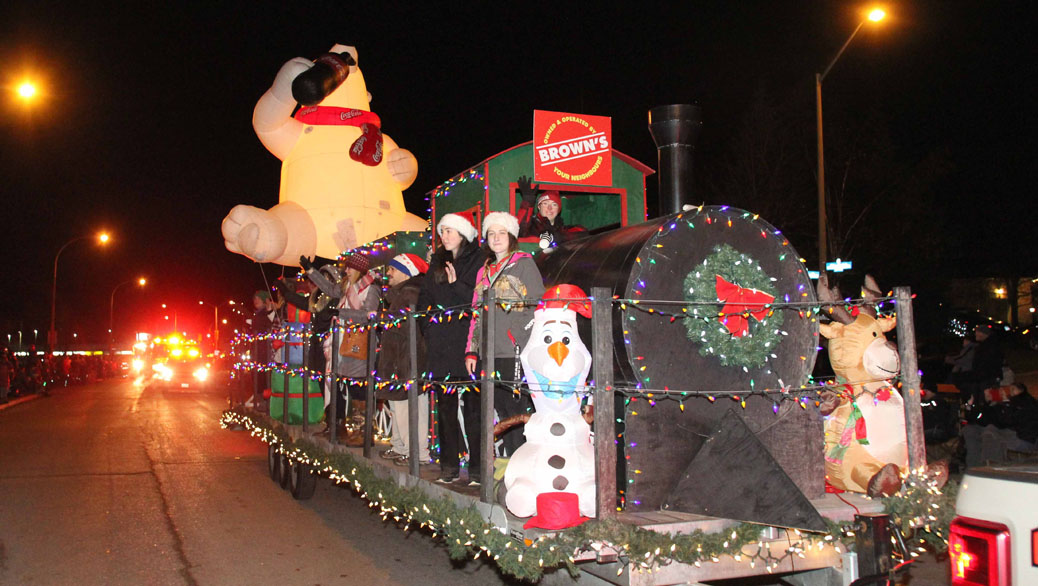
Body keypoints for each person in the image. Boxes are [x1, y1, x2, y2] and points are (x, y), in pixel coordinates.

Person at [466, 211, 546, 465]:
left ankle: (527, 467)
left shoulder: (524, 263)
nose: (496, 237)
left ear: (511, 236)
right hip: (489, 352)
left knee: (518, 412)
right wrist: (472, 349)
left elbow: (538, 303)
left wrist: (519, 335)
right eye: (491, 233)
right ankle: (510, 467)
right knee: (499, 411)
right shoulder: (484, 272)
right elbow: (476, 315)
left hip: (514, 351)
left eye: (502, 233)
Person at [418, 211, 484, 485]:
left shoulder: (479, 259)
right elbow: (424, 299)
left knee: (473, 407)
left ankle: (478, 468)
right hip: (441, 344)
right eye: (442, 231)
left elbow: (476, 298)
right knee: (445, 407)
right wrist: (429, 328)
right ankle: (449, 466)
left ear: (463, 235)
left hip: (466, 341)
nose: (443, 236)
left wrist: (456, 285)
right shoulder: (436, 262)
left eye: (449, 231)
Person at [377, 253, 430, 466]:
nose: (388, 273)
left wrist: (378, 317)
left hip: (407, 361)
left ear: (406, 271)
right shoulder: (401, 294)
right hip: (398, 361)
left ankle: (416, 453)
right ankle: (401, 446)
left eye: (393, 269)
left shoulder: (410, 294)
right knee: (398, 406)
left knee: (410, 408)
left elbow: (404, 328)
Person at [328, 254, 380, 445]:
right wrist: (311, 271)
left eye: (349, 268)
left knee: (360, 388)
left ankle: (365, 434)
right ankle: (357, 431)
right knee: (352, 387)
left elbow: (369, 315)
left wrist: (341, 313)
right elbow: (330, 289)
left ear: (358, 270)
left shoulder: (371, 289)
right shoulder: (347, 287)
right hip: (348, 342)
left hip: (362, 342)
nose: (346, 271)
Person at [963, 383, 1038, 467]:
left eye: (1012, 389)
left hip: (1024, 438)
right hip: (1011, 432)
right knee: (970, 430)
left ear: (1021, 390)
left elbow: (1009, 421)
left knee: (991, 431)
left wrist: (1006, 402)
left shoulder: (1025, 402)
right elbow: (983, 419)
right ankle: (974, 466)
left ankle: (991, 466)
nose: (1009, 392)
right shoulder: (1003, 405)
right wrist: (978, 404)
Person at [515, 176, 585, 247]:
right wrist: (528, 201)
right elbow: (520, 231)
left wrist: (556, 237)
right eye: (545, 203)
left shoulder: (562, 229)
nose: (549, 208)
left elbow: (583, 233)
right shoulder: (531, 227)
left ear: (558, 210)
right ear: (539, 207)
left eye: (554, 205)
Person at [248, 290, 277, 409]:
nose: (255, 301)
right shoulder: (257, 314)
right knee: (256, 374)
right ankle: (259, 396)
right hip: (257, 349)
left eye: (258, 298)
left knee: (264, 374)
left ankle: (265, 399)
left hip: (265, 350)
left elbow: (271, 324)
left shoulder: (269, 313)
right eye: (254, 299)